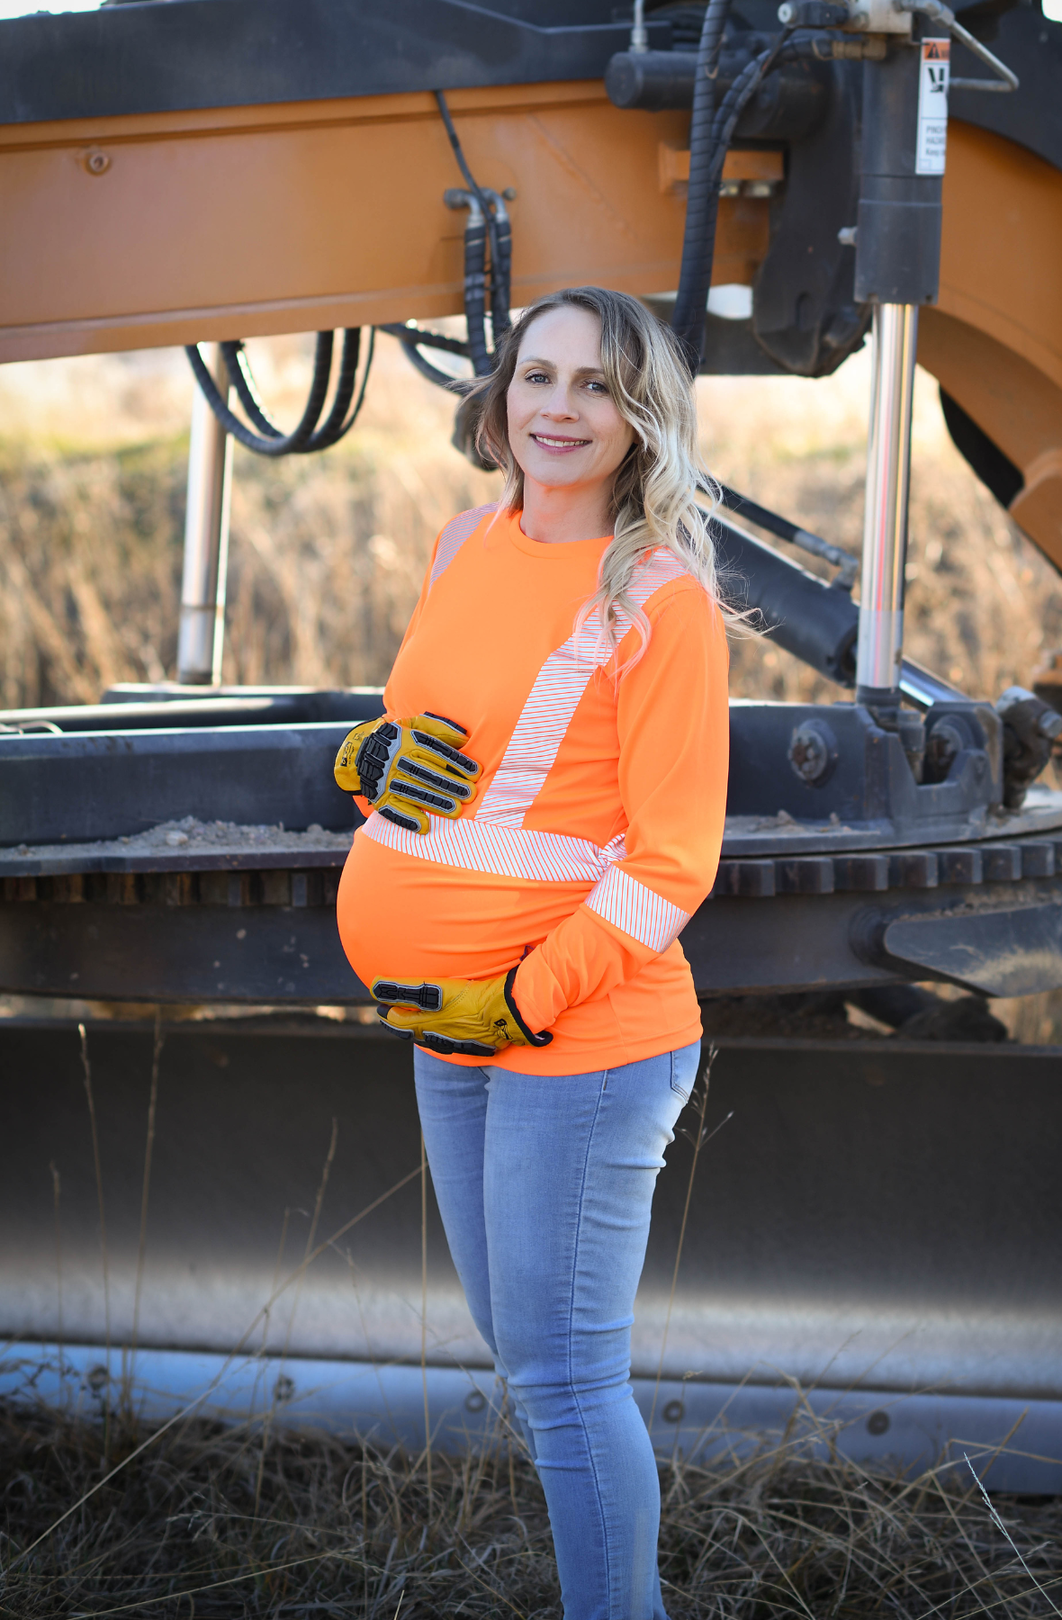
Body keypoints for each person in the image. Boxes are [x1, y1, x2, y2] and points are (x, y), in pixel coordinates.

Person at [334, 285, 733, 1620]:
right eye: (539, 376)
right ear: (501, 394)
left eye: (598, 385)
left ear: (641, 420)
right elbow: (437, 750)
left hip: (579, 1038)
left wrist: (521, 1000)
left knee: (564, 1382)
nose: (559, 408)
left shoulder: (660, 600)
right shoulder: (465, 541)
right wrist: (368, 758)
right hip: (447, 1023)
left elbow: (672, 862)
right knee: (525, 1353)